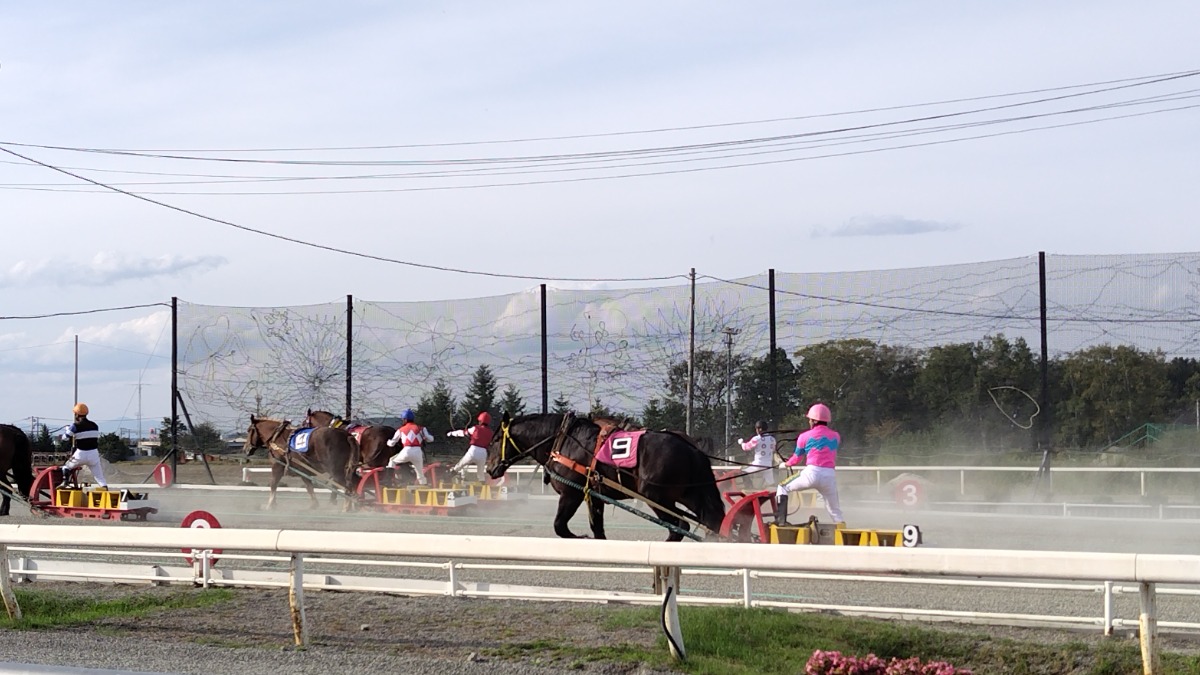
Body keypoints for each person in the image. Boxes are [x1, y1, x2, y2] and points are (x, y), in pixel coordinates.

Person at [776, 403, 844, 526]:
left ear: (813, 420)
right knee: (835, 511)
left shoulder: (804, 436)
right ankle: (843, 533)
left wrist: (785, 464)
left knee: (782, 487)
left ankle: (781, 522)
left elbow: (796, 459)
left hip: (811, 473)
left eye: (809, 420)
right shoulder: (836, 436)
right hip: (829, 476)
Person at [60, 402, 108, 488]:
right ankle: (105, 488)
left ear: (76, 414)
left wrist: (67, 429)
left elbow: (65, 438)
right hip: (94, 454)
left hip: (81, 454)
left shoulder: (75, 426)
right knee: (100, 477)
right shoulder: (95, 425)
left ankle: (65, 482)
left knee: (66, 467)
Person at [385, 409, 433, 485]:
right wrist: (424, 438)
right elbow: (431, 439)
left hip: (406, 451)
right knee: (420, 474)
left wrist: (388, 442)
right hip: (418, 452)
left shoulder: (400, 430)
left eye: (402, 419)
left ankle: (387, 480)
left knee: (392, 461)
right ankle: (423, 488)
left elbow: (391, 444)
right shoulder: (421, 428)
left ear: (405, 419)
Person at [447, 411, 495, 482]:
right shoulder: (491, 432)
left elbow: (463, 433)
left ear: (480, 421)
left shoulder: (476, 428)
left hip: (473, 450)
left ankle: (450, 475)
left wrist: (451, 433)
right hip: (483, 452)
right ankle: (482, 485)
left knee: (461, 464)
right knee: (480, 472)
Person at [737, 420, 776, 489]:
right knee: (771, 485)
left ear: (759, 429)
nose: (756, 430)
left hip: (758, 465)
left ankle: (750, 489)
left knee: (743, 471)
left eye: (756, 429)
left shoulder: (756, 438)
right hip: (769, 465)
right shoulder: (772, 439)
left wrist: (741, 443)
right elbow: (773, 449)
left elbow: (746, 447)